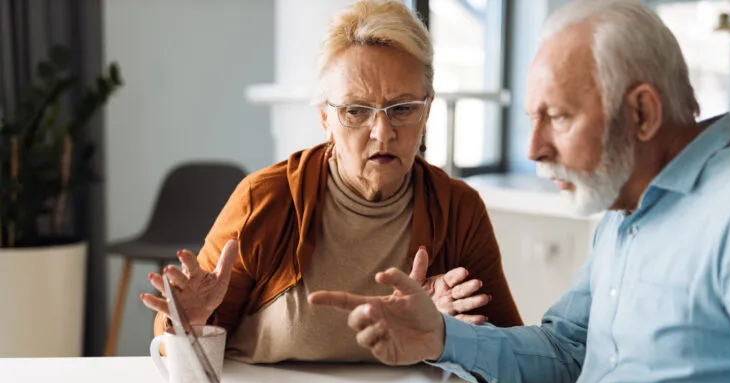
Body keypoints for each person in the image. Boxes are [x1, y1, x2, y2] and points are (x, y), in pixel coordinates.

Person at [309, 1, 730, 383]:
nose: (533, 149)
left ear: (641, 112)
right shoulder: (625, 207)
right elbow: (569, 352)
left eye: (557, 116)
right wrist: (439, 336)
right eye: (532, 118)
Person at [140, 0, 523, 364]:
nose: (382, 132)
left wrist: (447, 333)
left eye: (402, 109)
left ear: (427, 112)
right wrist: (186, 325)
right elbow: (184, 349)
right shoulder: (266, 200)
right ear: (326, 119)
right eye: (356, 111)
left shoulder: (458, 209)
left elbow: (510, 361)